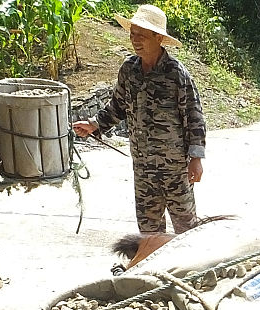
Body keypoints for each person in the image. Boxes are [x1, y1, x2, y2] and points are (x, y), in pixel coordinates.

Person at [72, 4, 206, 234]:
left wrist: (196, 158)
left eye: (142, 35)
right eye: (133, 34)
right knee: (149, 231)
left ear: (158, 38)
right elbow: (117, 106)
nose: (135, 40)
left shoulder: (176, 73)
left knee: (186, 230)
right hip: (143, 167)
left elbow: (194, 116)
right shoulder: (129, 70)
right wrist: (94, 124)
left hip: (174, 168)